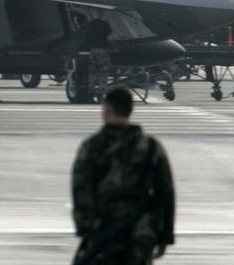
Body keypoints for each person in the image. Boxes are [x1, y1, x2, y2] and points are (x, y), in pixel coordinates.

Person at [71, 86, 175, 264]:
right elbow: (165, 193)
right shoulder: (150, 148)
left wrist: (87, 230)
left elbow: (81, 191)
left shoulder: (92, 147)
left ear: (108, 108)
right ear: (130, 110)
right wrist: (164, 235)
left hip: (102, 231)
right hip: (140, 233)